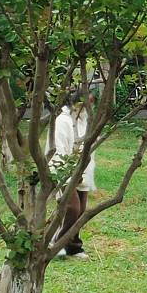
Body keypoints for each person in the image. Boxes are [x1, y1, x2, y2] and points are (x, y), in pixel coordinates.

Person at [51, 97, 96, 260]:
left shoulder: (86, 121)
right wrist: (67, 172)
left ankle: (73, 246)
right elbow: (59, 149)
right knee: (72, 208)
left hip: (83, 171)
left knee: (81, 210)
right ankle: (57, 243)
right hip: (64, 170)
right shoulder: (62, 120)